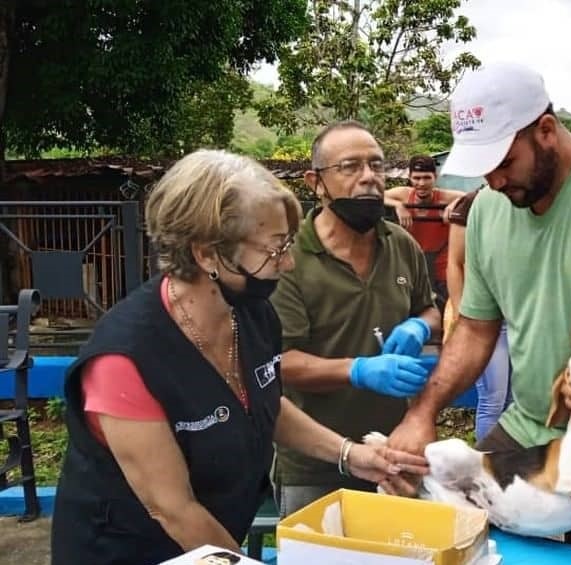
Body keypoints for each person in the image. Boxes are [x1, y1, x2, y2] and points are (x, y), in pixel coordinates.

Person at [50, 149, 427, 565]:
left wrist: (350, 455)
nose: (287, 263)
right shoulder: (124, 361)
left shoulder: (251, 311)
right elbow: (173, 509)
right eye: (273, 249)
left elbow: (263, 401)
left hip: (218, 535)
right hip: (132, 549)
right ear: (207, 253)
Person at [386, 61, 571, 564]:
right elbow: (477, 331)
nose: (495, 181)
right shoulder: (486, 210)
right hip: (523, 429)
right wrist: (422, 413)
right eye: (483, 169)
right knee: (470, 544)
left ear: (546, 130)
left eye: (504, 162)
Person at [269, 121, 442, 516]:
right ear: (316, 182)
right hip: (314, 461)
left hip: (392, 450)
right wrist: (359, 370)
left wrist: (419, 326)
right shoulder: (289, 258)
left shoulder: (401, 244)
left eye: (377, 166)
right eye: (350, 167)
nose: (369, 178)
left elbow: (430, 308)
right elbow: (280, 362)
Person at [443, 186, 512, 441]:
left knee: (515, 401)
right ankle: (487, 466)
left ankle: (510, 464)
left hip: (517, 318)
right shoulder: (472, 203)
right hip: (484, 318)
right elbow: (455, 263)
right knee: (493, 399)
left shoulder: (526, 203)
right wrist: (463, 317)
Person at [384, 155, 467, 310]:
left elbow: (469, 196)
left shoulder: (444, 197)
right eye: (417, 178)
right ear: (409, 178)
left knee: (449, 311)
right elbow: (376, 196)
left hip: (441, 268)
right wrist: (398, 205)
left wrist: (453, 205)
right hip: (413, 265)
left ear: (435, 177)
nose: (421, 183)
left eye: (426, 178)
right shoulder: (403, 194)